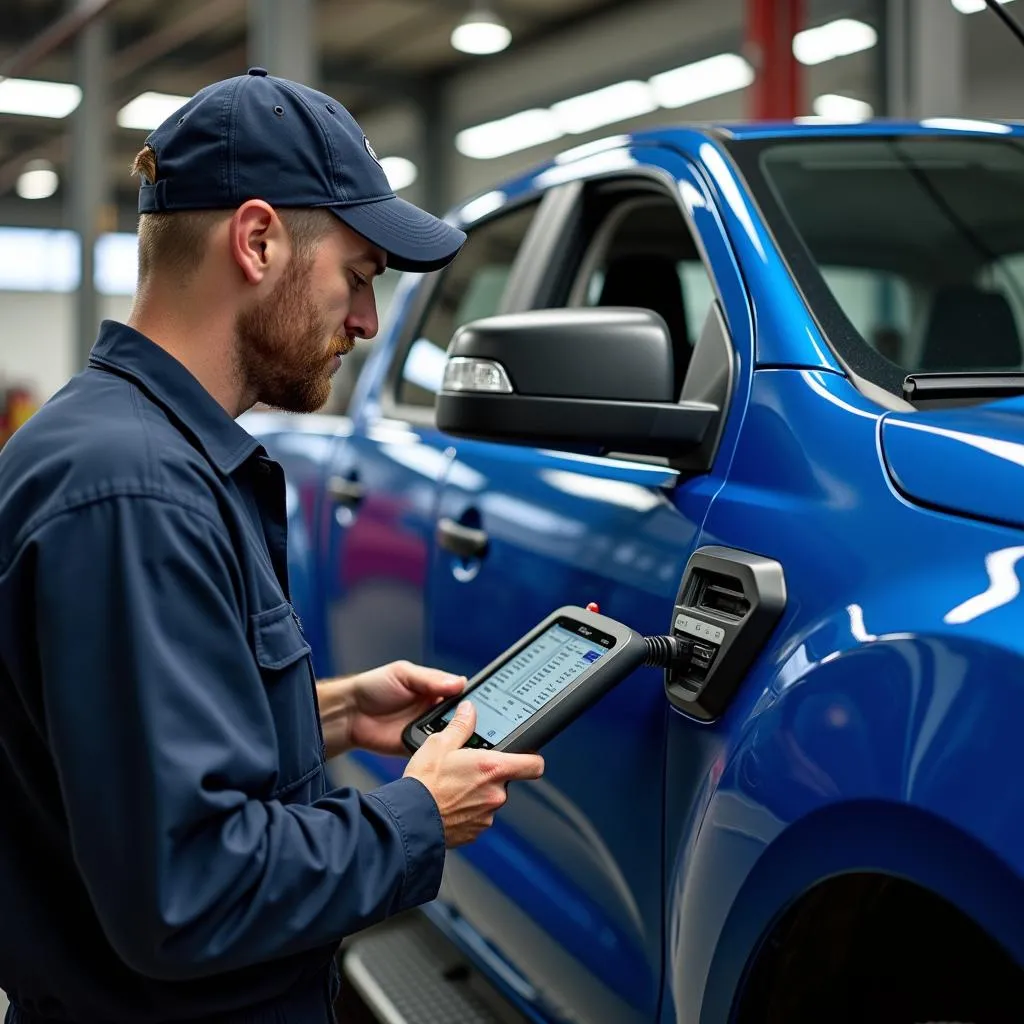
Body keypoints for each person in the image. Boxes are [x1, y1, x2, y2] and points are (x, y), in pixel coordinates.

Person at [0, 69, 545, 1024]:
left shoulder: (138, 456)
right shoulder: (134, 494)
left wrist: (330, 713)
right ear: (256, 241)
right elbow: (188, 892)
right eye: (360, 275)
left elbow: (120, 750)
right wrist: (415, 817)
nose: (368, 322)